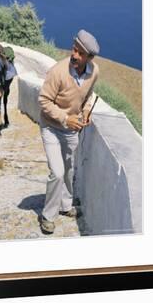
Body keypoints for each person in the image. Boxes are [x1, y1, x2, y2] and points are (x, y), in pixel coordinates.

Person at [38, 29, 100, 234]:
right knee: (57, 172)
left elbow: (88, 96)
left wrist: (86, 112)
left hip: (71, 129)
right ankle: (48, 215)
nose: (75, 55)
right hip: (51, 127)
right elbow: (43, 101)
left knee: (69, 168)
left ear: (89, 58)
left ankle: (65, 205)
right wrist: (65, 118)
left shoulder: (94, 72)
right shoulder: (57, 72)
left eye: (81, 54)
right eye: (74, 50)